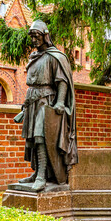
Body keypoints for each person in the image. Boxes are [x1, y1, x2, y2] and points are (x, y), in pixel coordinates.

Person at [16, 20, 78, 191]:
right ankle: (36, 173)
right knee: (31, 139)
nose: (34, 40)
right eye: (32, 37)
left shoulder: (55, 56)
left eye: (37, 36)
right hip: (33, 100)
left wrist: (59, 101)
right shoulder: (34, 57)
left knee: (40, 136)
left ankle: (43, 175)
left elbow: (62, 81)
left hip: (47, 101)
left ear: (45, 36)